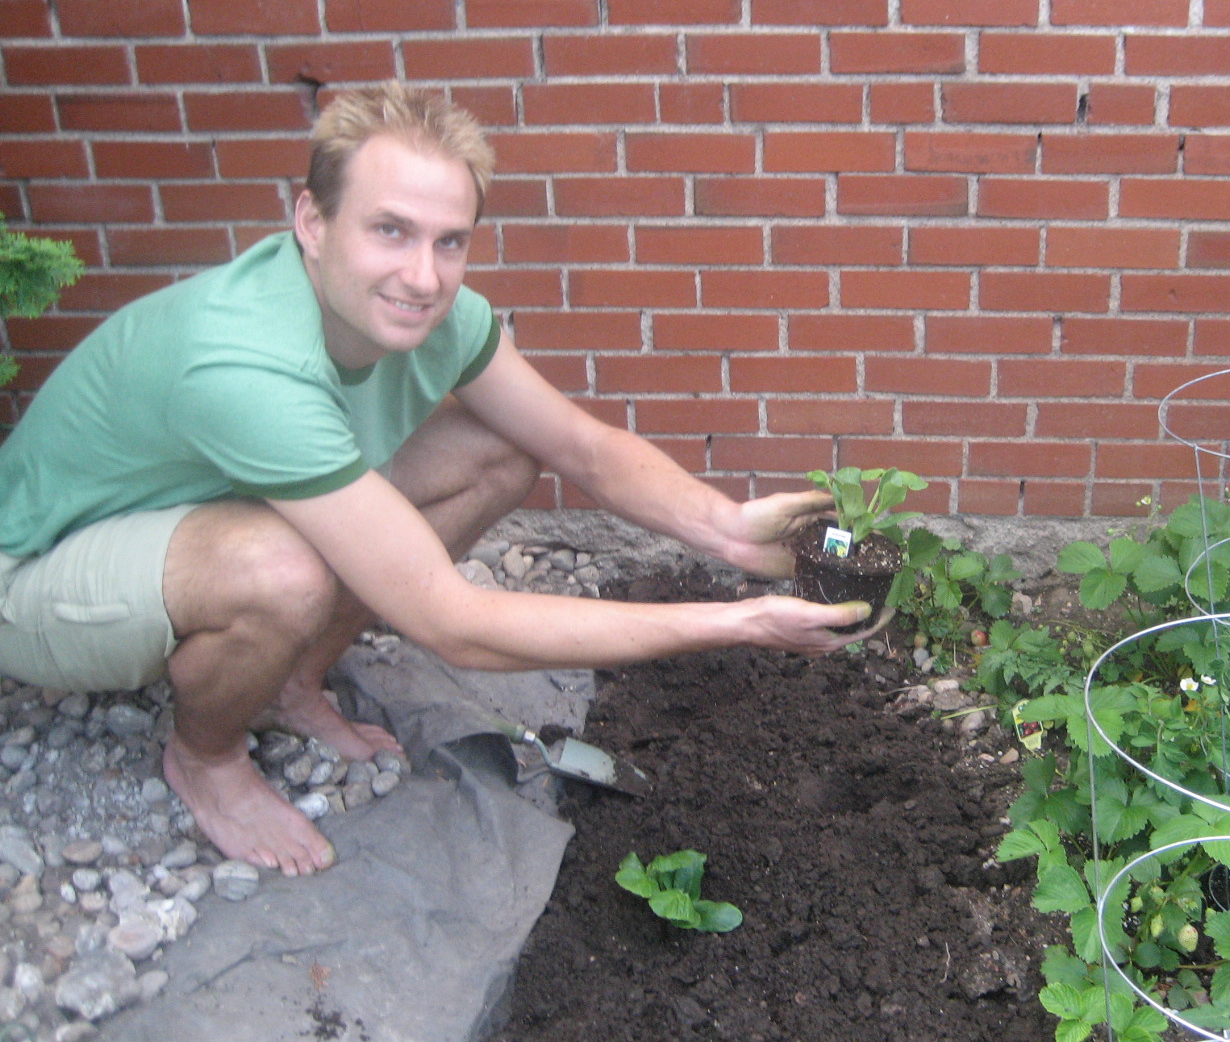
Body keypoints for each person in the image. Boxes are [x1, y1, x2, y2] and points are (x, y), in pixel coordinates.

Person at [0, 83, 881, 878]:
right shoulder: (244, 368)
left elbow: (581, 444)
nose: (423, 277)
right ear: (311, 221)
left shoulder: (442, 315)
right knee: (280, 571)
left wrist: (728, 529)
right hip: (40, 570)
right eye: (390, 231)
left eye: (448, 241)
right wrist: (737, 622)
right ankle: (207, 759)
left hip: (193, 509)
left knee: (496, 450)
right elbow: (452, 626)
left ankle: (293, 679)